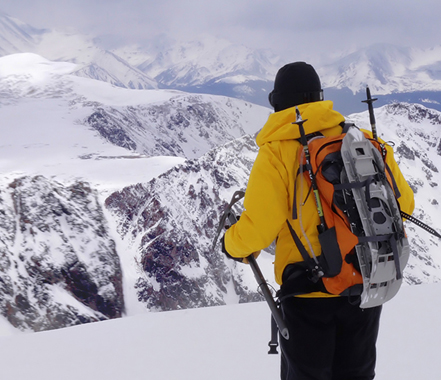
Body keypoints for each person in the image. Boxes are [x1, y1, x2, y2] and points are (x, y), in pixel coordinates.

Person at [222, 62, 415, 380]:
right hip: (366, 282)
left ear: (277, 102)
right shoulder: (362, 140)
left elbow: (258, 228)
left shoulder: (277, 152)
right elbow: (403, 204)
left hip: (307, 291)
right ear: (320, 98)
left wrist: (233, 243)